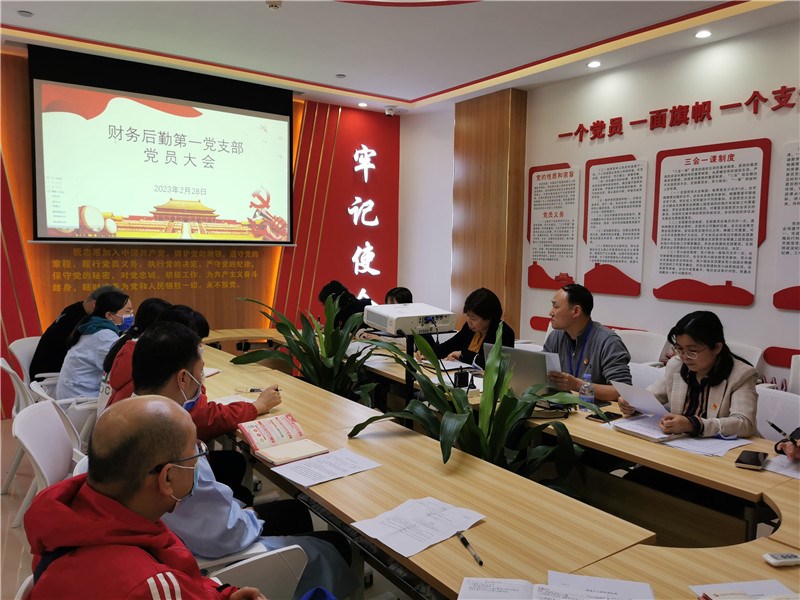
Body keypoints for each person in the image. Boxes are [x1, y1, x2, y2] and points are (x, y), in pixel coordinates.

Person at [131, 322, 356, 600]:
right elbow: (222, 534)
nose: (202, 383)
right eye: (201, 372)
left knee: (293, 510)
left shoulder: (124, 419)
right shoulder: (176, 442)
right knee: (333, 543)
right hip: (206, 559)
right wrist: (249, 515)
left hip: (176, 542)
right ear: (184, 379)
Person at [24, 395, 265, 600]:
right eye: (195, 451)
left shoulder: (76, 521)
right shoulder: (145, 586)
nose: (198, 459)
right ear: (167, 478)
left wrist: (222, 595)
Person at [618, 311, 757, 438]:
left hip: (721, 449)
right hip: (680, 443)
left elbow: (744, 424)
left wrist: (693, 424)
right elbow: (652, 397)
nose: (684, 357)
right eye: (679, 349)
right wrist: (633, 404)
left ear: (716, 347)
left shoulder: (741, 375)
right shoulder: (677, 365)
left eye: (692, 351)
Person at [543, 284, 631, 401]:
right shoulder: (555, 337)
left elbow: (622, 392)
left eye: (555, 306)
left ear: (576, 311)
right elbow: (540, 373)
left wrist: (578, 385)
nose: (551, 312)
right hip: (562, 406)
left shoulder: (608, 341)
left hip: (595, 409)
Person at [29, 284, 123, 380]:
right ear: (95, 304)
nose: (112, 315)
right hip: (49, 378)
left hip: (57, 373)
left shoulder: (75, 310)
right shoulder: (82, 324)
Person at [55, 291, 133, 400]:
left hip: (72, 394)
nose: (131, 315)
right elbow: (120, 369)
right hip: (81, 400)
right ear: (109, 315)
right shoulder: (104, 336)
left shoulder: (92, 326)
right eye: (127, 311)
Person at [432, 287, 514, 369]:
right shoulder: (469, 328)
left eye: (473, 318)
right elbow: (450, 345)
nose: (469, 321)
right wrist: (429, 353)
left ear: (489, 318)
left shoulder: (504, 333)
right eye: (468, 316)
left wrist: (462, 354)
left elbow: (494, 364)